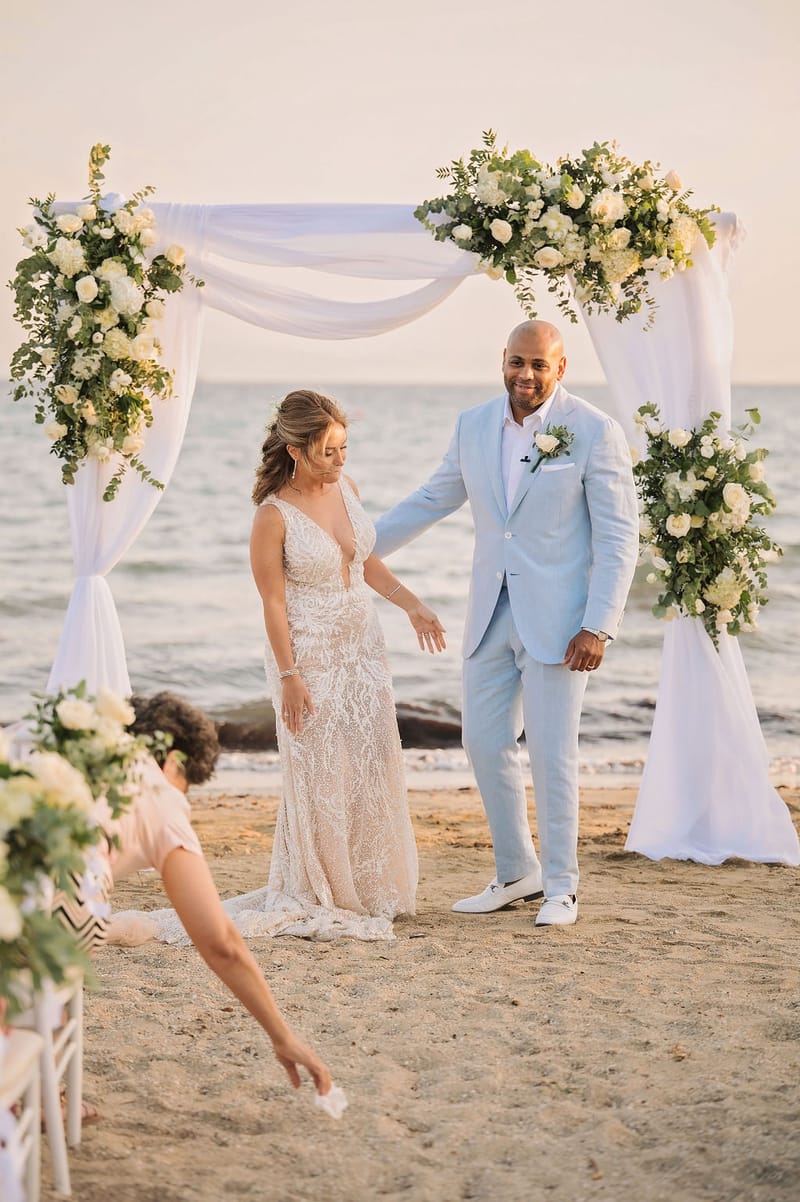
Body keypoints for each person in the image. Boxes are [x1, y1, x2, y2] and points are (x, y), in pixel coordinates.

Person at [373, 320, 639, 926]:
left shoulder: (595, 432)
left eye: (540, 365)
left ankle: (563, 887)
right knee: (484, 743)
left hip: (563, 625)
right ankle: (518, 872)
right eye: (518, 362)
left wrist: (599, 625)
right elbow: (430, 499)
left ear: (561, 368)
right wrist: (355, 546)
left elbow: (621, 538)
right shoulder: (472, 425)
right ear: (503, 361)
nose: (527, 375)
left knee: (551, 754)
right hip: (489, 615)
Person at [230, 388, 446, 941]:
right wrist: (289, 676)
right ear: (297, 451)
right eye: (328, 451)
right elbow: (272, 604)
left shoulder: (347, 487)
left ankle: (371, 888)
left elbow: (363, 560)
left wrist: (412, 605)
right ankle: (326, 889)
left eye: (344, 447)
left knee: (369, 765)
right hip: (310, 657)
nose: (340, 460)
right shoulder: (272, 516)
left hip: (362, 650)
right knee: (321, 773)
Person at [95, 692, 331, 1096]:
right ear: (173, 763)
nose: (180, 800)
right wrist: (281, 1035)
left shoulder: (64, 750)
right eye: (184, 787)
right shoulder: (160, 801)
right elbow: (220, 943)